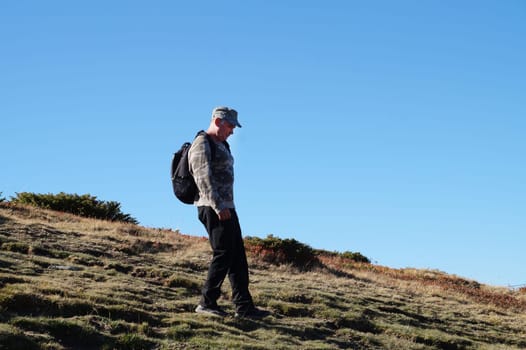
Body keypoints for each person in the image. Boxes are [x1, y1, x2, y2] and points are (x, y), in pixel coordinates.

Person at [188, 106, 269, 319]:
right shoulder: (201, 143)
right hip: (212, 206)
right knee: (223, 253)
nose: (232, 131)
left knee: (237, 257)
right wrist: (218, 206)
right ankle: (207, 303)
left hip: (227, 207)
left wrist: (226, 206)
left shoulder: (221, 144)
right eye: (230, 125)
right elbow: (202, 177)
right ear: (217, 121)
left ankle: (244, 307)